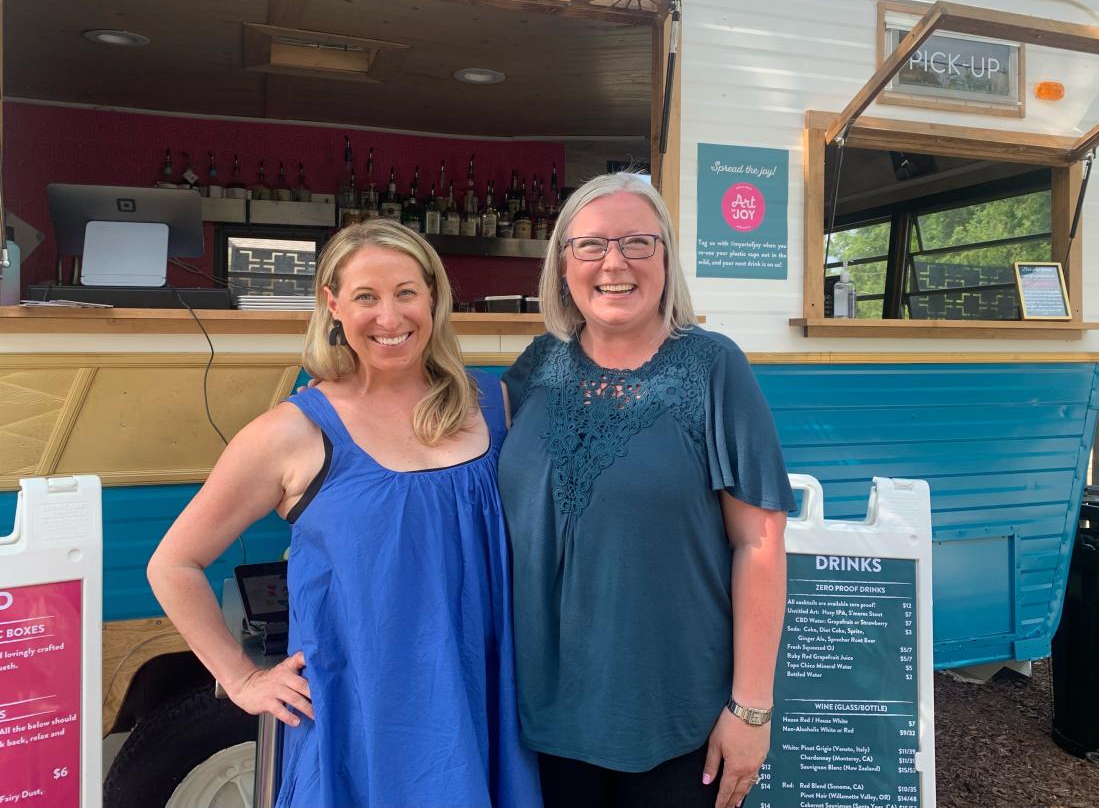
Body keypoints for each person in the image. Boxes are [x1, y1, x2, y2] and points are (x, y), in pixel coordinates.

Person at [148, 219, 540, 807]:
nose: (390, 316)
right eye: (366, 297)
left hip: (485, 706)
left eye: (407, 292)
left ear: (434, 296)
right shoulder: (292, 433)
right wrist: (242, 679)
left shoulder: (493, 403)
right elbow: (174, 564)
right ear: (332, 305)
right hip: (361, 729)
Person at [498, 173, 796, 808]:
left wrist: (752, 708)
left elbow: (760, 544)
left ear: (666, 258)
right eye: (591, 245)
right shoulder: (537, 366)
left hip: (672, 721)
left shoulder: (714, 368)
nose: (614, 263)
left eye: (638, 242)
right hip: (540, 716)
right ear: (561, 264)